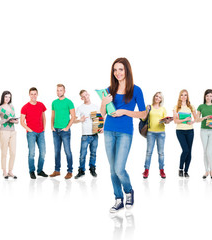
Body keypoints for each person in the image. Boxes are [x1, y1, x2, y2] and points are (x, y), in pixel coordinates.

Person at [101, 57, 146, 213]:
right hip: (108, 130)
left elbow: (143, 113)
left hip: (125, 132)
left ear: (127, 70)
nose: (117, 73)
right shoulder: (109, 89)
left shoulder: (136, 90)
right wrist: (104, 102)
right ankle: (118, 198)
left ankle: (129, 191)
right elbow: (102, 114)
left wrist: (124, 111)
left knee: (119, 169)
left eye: (120, 69)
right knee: (112, 169)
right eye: (115, 70)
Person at [21, 87, 49, 179]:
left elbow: (44, 118)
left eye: (35, 94)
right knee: (32, 153)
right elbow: (22, 121)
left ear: (37, 94)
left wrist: (43, 129)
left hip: (41, 132)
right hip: (31, 133)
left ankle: (40, 170)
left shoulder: (41, 105)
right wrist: (29, 130)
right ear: (29, 95)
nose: (33, 96)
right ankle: (31, 171)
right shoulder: (25, 107)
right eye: (32, 94)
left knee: (43, 152)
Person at [142, 92, 170, 179]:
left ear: (161, 99)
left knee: (161, 153)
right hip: (151, 132)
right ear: (154, 97)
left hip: (161, 133)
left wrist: (167, 121)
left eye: (159, 97)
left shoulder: (163, 109)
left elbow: (166, 121)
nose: (157, 98)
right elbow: (143, 118)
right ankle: (146, 170)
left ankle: (161, 170)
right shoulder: (149, 107)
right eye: (156, 96)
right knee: (149, 152)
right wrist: (146, 111)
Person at [50, 84, 75, 179]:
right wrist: (51, 126)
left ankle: (70, 171)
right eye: (57, 90)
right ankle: (57, 170)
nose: (59, 92)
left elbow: (73, 116)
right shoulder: (54, 102)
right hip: (55, 130)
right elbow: (52, 116)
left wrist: (68, 127)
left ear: (64, 91)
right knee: (56, 151)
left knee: (67, 151)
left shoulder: (69, 102)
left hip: (65, 131)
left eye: (60, 90)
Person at [73, 90, 100, 179]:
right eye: (83, 96)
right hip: (85, 135)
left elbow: (100, 119)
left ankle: (92, 168)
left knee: (93, 153)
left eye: (86, 95)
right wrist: (80, 120)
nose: (86, 97)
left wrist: (101, 128)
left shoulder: (95, 106)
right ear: (81, 98)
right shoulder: (80, 108)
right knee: (82, 154)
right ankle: (81, 170)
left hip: (95, 134)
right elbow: (73, 120)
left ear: (89, 94)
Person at [195, 89, 212, 179]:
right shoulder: (201, 106)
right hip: (204, 131)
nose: (209, 98)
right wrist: (204, 117)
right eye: (207, 96)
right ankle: (206, 171)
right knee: (205, 151)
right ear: (204, 97)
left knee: (209, 151)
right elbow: (196, 120)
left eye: (210, 96)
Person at [0, 91, 19, 179]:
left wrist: (15, 121)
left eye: (9, 97)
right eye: (6, 97)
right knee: (4, 152)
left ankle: (10, 171)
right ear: (3, 97)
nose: (7, 99)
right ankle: (4, 171)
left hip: (13, 131)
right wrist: (6, 120)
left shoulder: (12, 106)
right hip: (4, 131)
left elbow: (15, 119)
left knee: (13, 152)